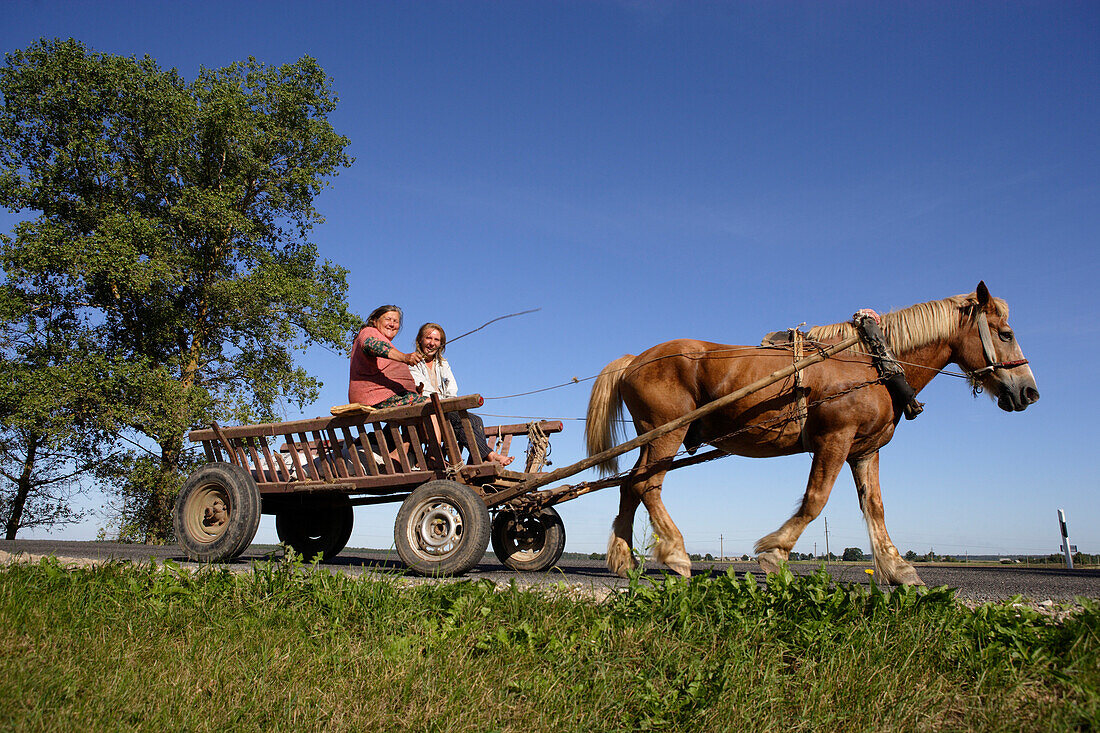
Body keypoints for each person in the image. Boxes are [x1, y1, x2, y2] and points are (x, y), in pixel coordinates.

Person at [409, 322, 514, 467]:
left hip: (444, 408)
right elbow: (425, 391)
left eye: (436, 340)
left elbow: (452, 390)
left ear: (441, 344)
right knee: (464, 421)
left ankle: (482, 459)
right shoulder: (412, 363)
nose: (432, 343)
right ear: (420, 340)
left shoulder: (443, 364)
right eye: (428, 338)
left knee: (476, 420)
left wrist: (448, 403)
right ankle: (491, 455)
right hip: (427, 412)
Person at [349, 305, 427, 408]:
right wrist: (405, 358)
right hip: (374, 396)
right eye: (388, 319)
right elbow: (372, 344)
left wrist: (413, 387)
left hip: (390, 395)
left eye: (396, 321)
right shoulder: (369, 332)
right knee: (431, 405)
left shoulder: (384, 341)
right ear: (375, 321)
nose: (392, 324)